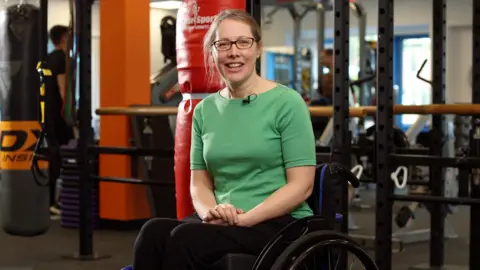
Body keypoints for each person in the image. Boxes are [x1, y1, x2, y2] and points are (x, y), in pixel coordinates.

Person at [132, 9, 317, 270]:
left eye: (243, 42)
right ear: (213, 51)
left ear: (258, 48)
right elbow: (200, 184)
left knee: (185, 240)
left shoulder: (287, 103)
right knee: (152, 233)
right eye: (223, 44)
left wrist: (246, 219)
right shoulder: (205, 110)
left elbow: (302, 186)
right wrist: (210, 213)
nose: (234, 52)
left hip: (277, 221)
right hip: (224, 219)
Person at [46, 25, 75, 217]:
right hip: (59, 115)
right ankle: (57, 201)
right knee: (65, 156)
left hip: (46, 115)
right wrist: (71, 116)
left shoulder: (47, 59)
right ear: (64, 38)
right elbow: (63, 89)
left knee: (54, 156)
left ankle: (51, 201)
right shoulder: (63, 60)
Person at [310, 49, 334, 140]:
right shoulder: (324, 76)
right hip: (325, 112)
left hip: (331, 111)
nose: (321, 60)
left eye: (323, 58)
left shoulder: (340, 75)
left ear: (331, 57)